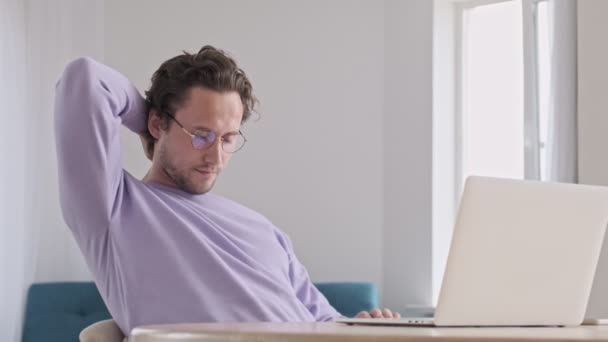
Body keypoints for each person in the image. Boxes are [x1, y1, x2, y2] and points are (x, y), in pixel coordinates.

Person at [54, 45, 399, 336]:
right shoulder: (113, 208)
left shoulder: (263, 230)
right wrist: (147, 121)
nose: (216, 156)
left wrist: (363, 328)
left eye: (228, 138)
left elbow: (325, 323)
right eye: (201, 135)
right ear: (158, 123)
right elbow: (86, 80)